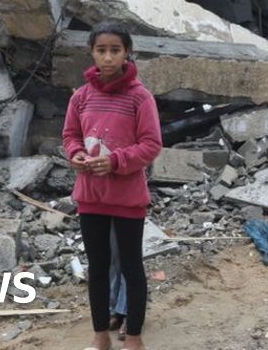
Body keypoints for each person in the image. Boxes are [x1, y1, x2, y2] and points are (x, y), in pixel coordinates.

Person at [62, 21, 161, 350]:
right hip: (90, 197)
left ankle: (134, 336)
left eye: (115, 50)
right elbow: (70, 136)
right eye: (101, 50)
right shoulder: (81, 97)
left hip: (128, 198)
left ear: (127, 53)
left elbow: (151, 144)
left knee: (132, 266)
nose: (107, 58)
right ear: (91, 53)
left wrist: (117, 161)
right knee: (98, 267)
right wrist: (76, 154)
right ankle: (100, 335)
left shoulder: (140, 98)